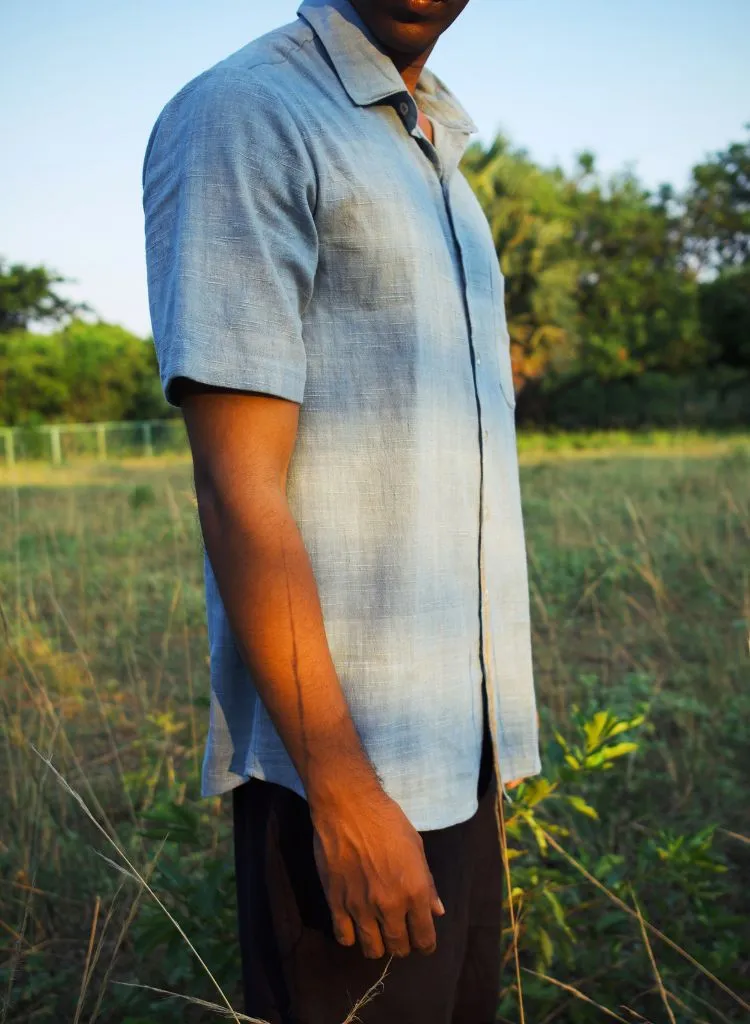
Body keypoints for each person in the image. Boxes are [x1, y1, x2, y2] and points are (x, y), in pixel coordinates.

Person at [142, 1, 540, 1020]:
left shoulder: (435, 145)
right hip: (349, 776)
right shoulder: (251, 113)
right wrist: (347, 793)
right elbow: (238, 489)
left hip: (463, 747)